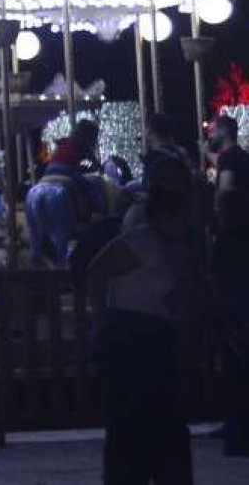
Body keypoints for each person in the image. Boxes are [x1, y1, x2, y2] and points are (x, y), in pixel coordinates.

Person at [86, 158, 200, 483]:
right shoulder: (141, 240)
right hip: (132, 334)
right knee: (131, 423)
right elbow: (98, 271)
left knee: (163, 422)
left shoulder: (173, 247)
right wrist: (103, 320)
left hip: (158, 334)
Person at [208, 115, 248, 458]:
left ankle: (237, 425)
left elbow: (227, 192)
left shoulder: (231, 160)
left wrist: (220, 225)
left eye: (212, 131)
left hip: (234, 253)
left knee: (234, 338)